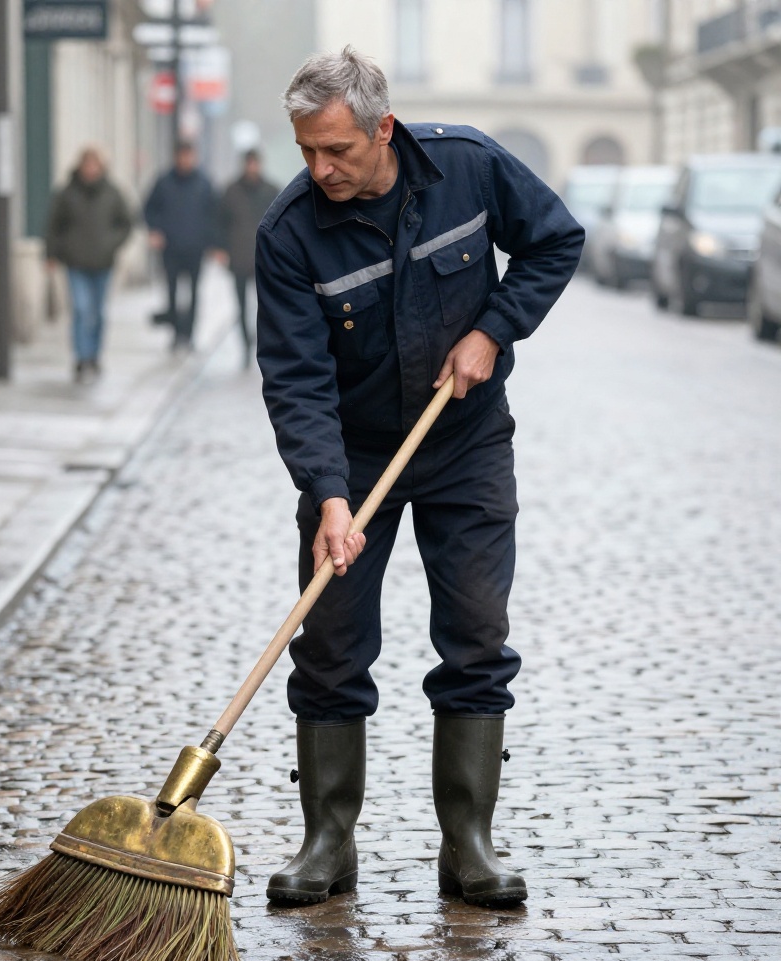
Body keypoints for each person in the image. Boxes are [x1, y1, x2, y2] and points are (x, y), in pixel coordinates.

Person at [255, 47, 584, 909]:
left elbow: (555, 241)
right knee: (329, 646)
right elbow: (296, 380)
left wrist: (495, 330)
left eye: (337, 151)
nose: (320, 169)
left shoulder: (469, 168)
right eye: (306, 153)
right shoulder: (289, 234)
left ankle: (468, 844)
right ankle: (328, 842)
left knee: (476, 636)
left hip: (465, 443)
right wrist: (328, 493)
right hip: (355, 458)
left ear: (382, 129)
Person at [45, 147, 132, 381]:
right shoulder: (67, 193)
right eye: (87, 164)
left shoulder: (112, 193)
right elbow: (54, 225)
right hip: (76, 262)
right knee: (82, 309)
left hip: (103, 262)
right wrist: (52, 253)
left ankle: (94, 355)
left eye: (95, 165)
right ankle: (81, 357)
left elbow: (127, 223)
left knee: (99, 312)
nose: (91, 169)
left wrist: (111, 243)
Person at [143, 141, 218, 350]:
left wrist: (213, 243)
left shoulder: (204, 183)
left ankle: (190, 334)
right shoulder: (164, 181)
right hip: (171, 249)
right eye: (182, 155)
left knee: (194, 293)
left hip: (196, 248)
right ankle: (176, 334)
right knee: (172, 292)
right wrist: (155, 230)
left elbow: (214, 214)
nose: (185, 160)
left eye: (189, 155)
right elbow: (149, 208)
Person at [218, 150, 279, 367]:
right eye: (249, 163)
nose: (252, 167)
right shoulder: (231, 191)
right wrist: (221, 249)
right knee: (241, 305)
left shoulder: (272, 190)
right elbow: (220, 222)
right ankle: (245, 345)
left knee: (266, 305)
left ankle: (265, 343)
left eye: (255, 163)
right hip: (239, 257)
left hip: (265, 259)